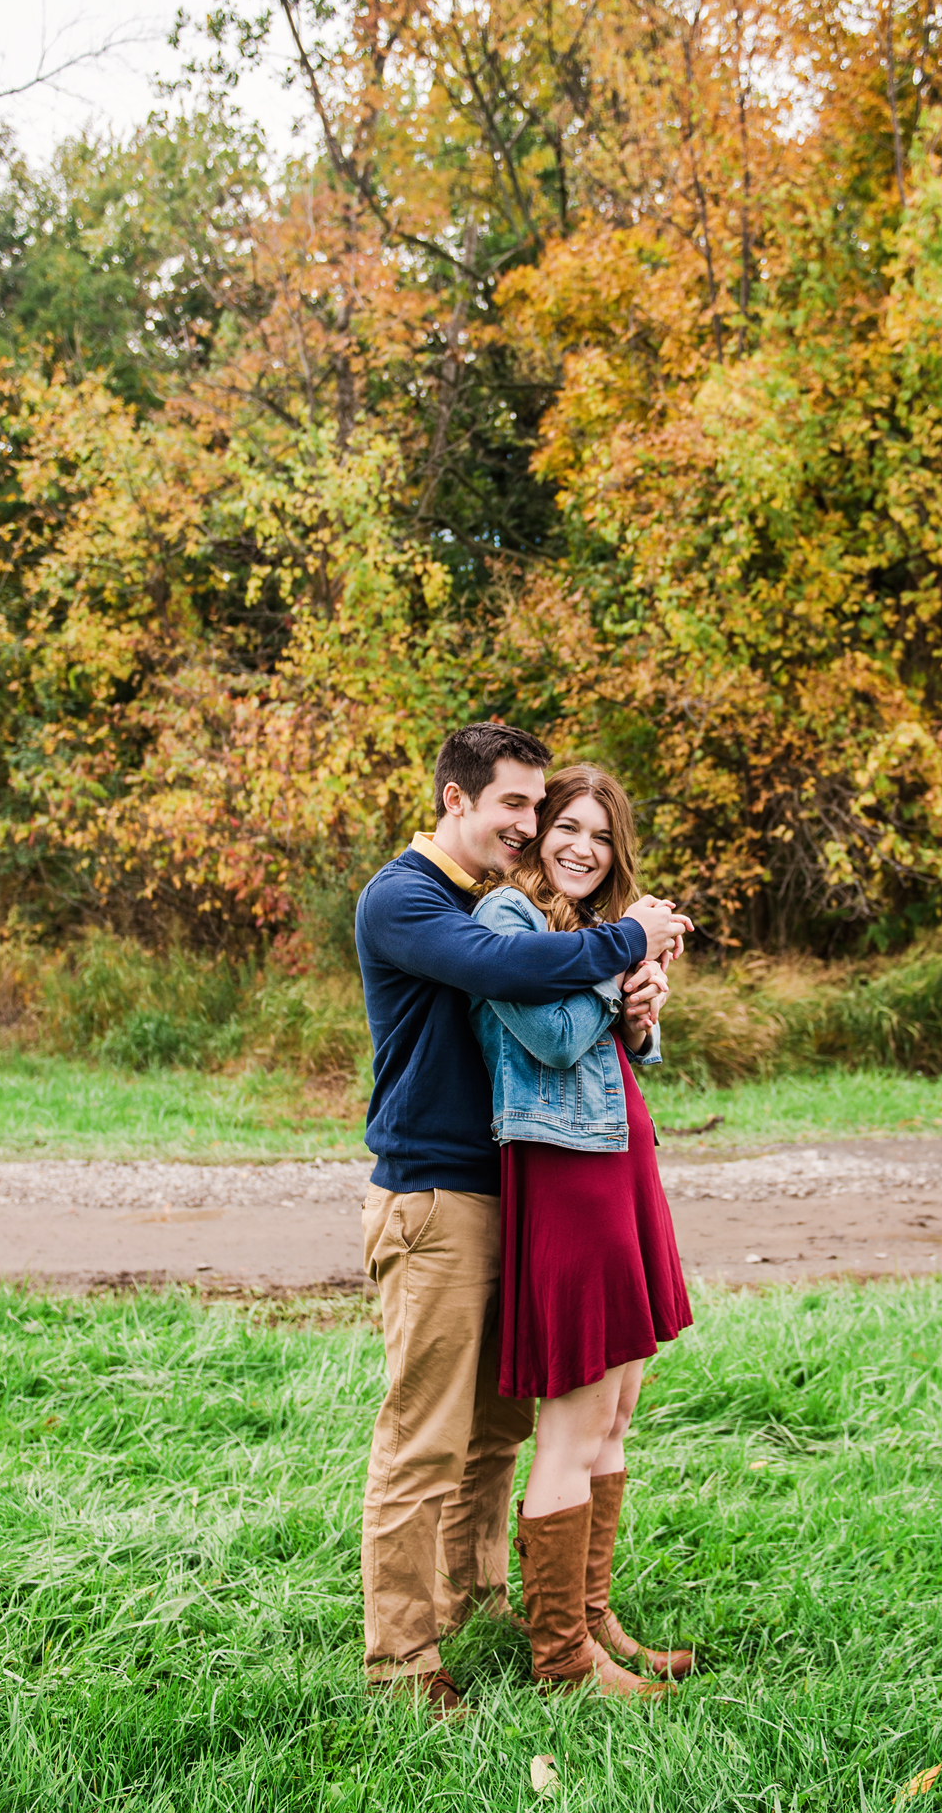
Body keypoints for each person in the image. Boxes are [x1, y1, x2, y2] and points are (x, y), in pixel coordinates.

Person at [353, 723, 690, 1719]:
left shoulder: (491, 897)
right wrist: (634, 938)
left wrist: (638, 992)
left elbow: (559, 993)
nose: (531, 824)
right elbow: (512, 980)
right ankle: (403, 1657)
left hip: (511, 1189)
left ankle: (484, 1597)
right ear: (457, 798)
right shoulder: (407, 898)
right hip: (435, 1194)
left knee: (497, 1429)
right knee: (424, 1437)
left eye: (537, 807)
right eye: (516, 805)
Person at [468, 764, 696, 1701]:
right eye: (567, 826)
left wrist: (644, 1010)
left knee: (614, 1411)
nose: (581, 848)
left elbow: (611, 1045)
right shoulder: (507, 923)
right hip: (564, 1177)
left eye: (601, 836)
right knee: (569, 1420)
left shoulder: (589, 935)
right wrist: (619, 968)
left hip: (620, 1166)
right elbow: (554, 1042)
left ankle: (592, 1619)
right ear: (536, 831)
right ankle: (559, 1659)